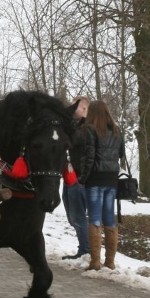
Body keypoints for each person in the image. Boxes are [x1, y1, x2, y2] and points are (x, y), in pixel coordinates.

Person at [80, 99, 126, 270]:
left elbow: (89, 156)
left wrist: (83, 178)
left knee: (94, 219)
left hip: (94, 179)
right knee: (110, 219)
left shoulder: (89, 130)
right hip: (111, 179)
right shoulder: (116, 131)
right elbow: (121, 154)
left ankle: (95, 262)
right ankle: (110, 262)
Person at [62, 96, 91, 259]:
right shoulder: (77, 126)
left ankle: (85, 250)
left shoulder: (87, 127)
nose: (73, 109)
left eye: (77, 107)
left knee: (78, 215)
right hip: (70, 176)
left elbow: (73, 140)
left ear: (85, 109)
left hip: (79, 177)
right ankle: (84, 248)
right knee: (72, 215)